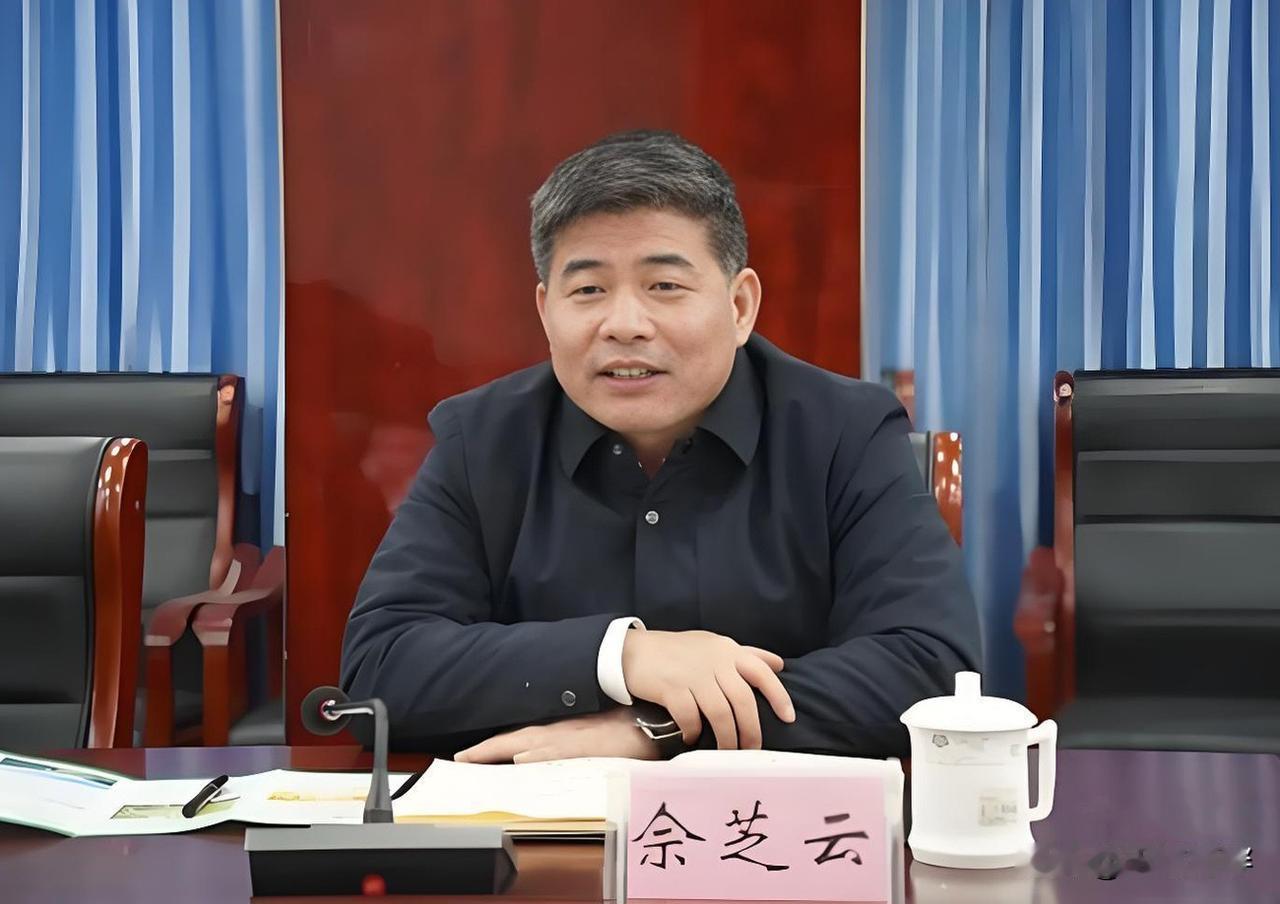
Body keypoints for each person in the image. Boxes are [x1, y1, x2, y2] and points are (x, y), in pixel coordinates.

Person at [340, 130, 981, 761]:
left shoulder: (845, 432)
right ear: (545, 311)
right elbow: (379, 671)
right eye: (588, 290)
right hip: (544, 824)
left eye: (665, 286)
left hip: (766, 824)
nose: (624, 325)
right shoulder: (482, 440)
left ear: (739, 306)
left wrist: (659, 728)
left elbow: (930, 670)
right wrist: (619, 657)